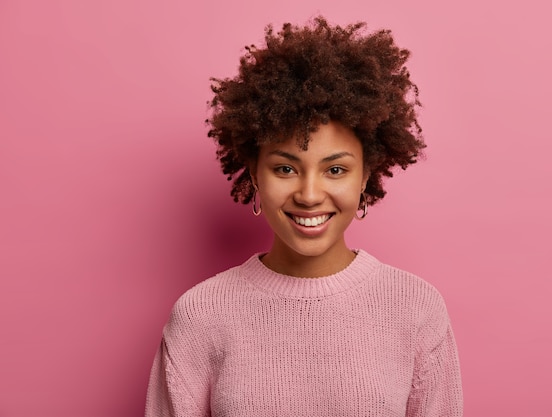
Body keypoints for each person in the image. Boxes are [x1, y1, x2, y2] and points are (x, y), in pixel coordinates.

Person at [145, 16, 463, 417]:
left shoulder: (416, 309)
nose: (310, 195)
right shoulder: (200, 315)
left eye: (335, 170)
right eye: (285, 168)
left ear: (365, 175)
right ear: (254, 171)